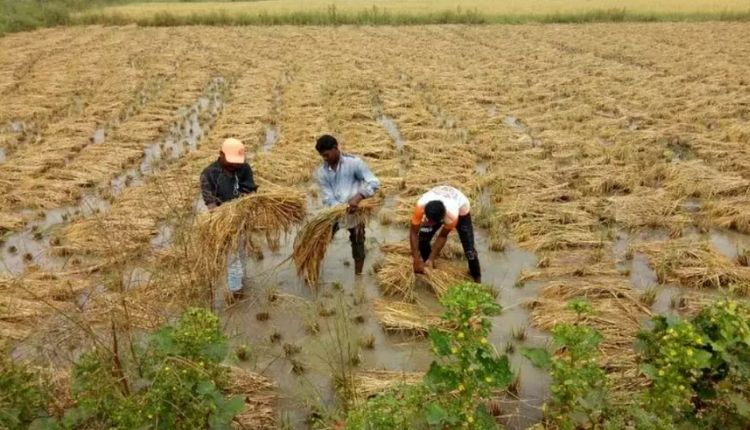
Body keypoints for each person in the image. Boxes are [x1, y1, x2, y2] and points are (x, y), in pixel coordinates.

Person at [200, 137, 258, 298]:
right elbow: (211, 204)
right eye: (231, 161)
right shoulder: (209, 174)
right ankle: (236, 292)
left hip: (243, 219)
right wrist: (226, 215)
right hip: (225, 222)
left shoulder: (244, 168)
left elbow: (250, 191)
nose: (234, 165)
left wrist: (244, 205)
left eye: (237, 162)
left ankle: (242, 283)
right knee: (232, 259)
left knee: (242, 252)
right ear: (221, 154)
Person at [315, 134, 380, 276]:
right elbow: (327, 197)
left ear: (335, 148)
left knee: (358, 244)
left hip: (356, 213)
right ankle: (313, 270)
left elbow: (374, 182)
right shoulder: (321, 172)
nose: (325, 159)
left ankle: (358, 277)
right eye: (322, 157)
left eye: (327, 155)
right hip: (333, 213)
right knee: (318, 241)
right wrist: (341, 208)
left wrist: (358, 197)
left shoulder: (354, 163)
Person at [409, 185, 481, 283]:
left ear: (441, 219)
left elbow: (442, 236)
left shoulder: (452, 216)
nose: (428, 223)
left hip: (461, 207)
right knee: (423, 239)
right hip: (440, 198)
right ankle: (429, 267)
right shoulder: (421, 206)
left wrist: (432, 257)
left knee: (470, 252)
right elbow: (413, 232)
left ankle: (477, 279)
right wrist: (416, 260)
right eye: (428, 219)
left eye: (431, 222)